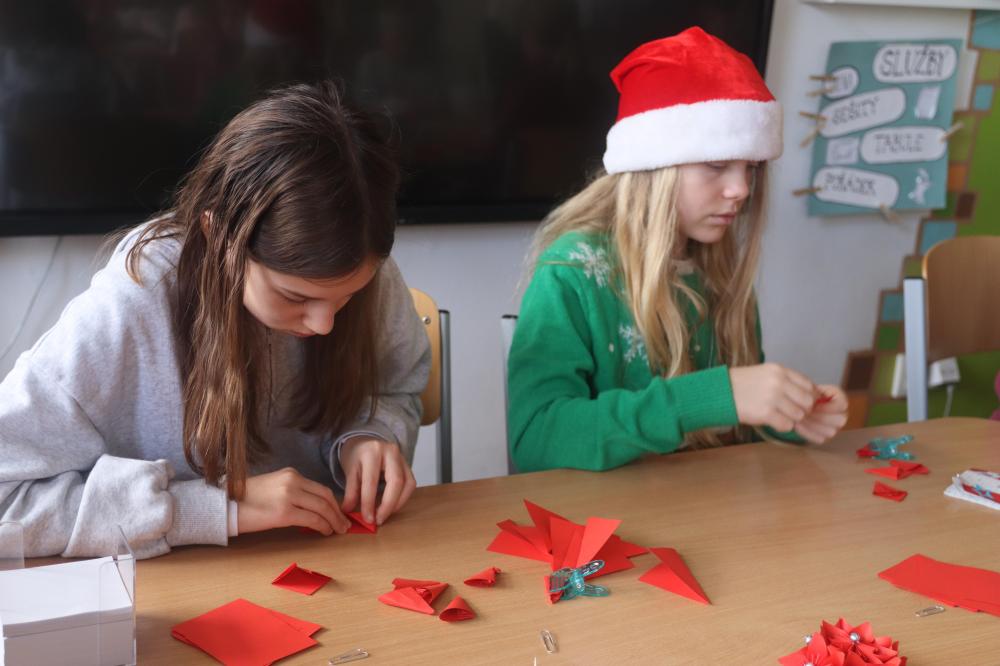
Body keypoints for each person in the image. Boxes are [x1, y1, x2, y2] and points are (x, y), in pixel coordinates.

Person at [0, 81, 430, 558]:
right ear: (220, 235)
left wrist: (370, 433)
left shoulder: (360, 267)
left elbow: (397, 387)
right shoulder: (130, 307)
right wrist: (213, 507)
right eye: (295, 296)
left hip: (329, 560)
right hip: (175, 583)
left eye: (346, 297)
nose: (324, 324)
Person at [507, 27, 849, 473]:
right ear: (653, 166)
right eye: (716, 164)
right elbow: (536, 438)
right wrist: (715, 395)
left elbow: (730, 429)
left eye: (751, 168)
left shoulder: (718, 269)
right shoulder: (571, 272)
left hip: (707, 504)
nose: (742, 189)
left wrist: (787, 415)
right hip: (605, 513)